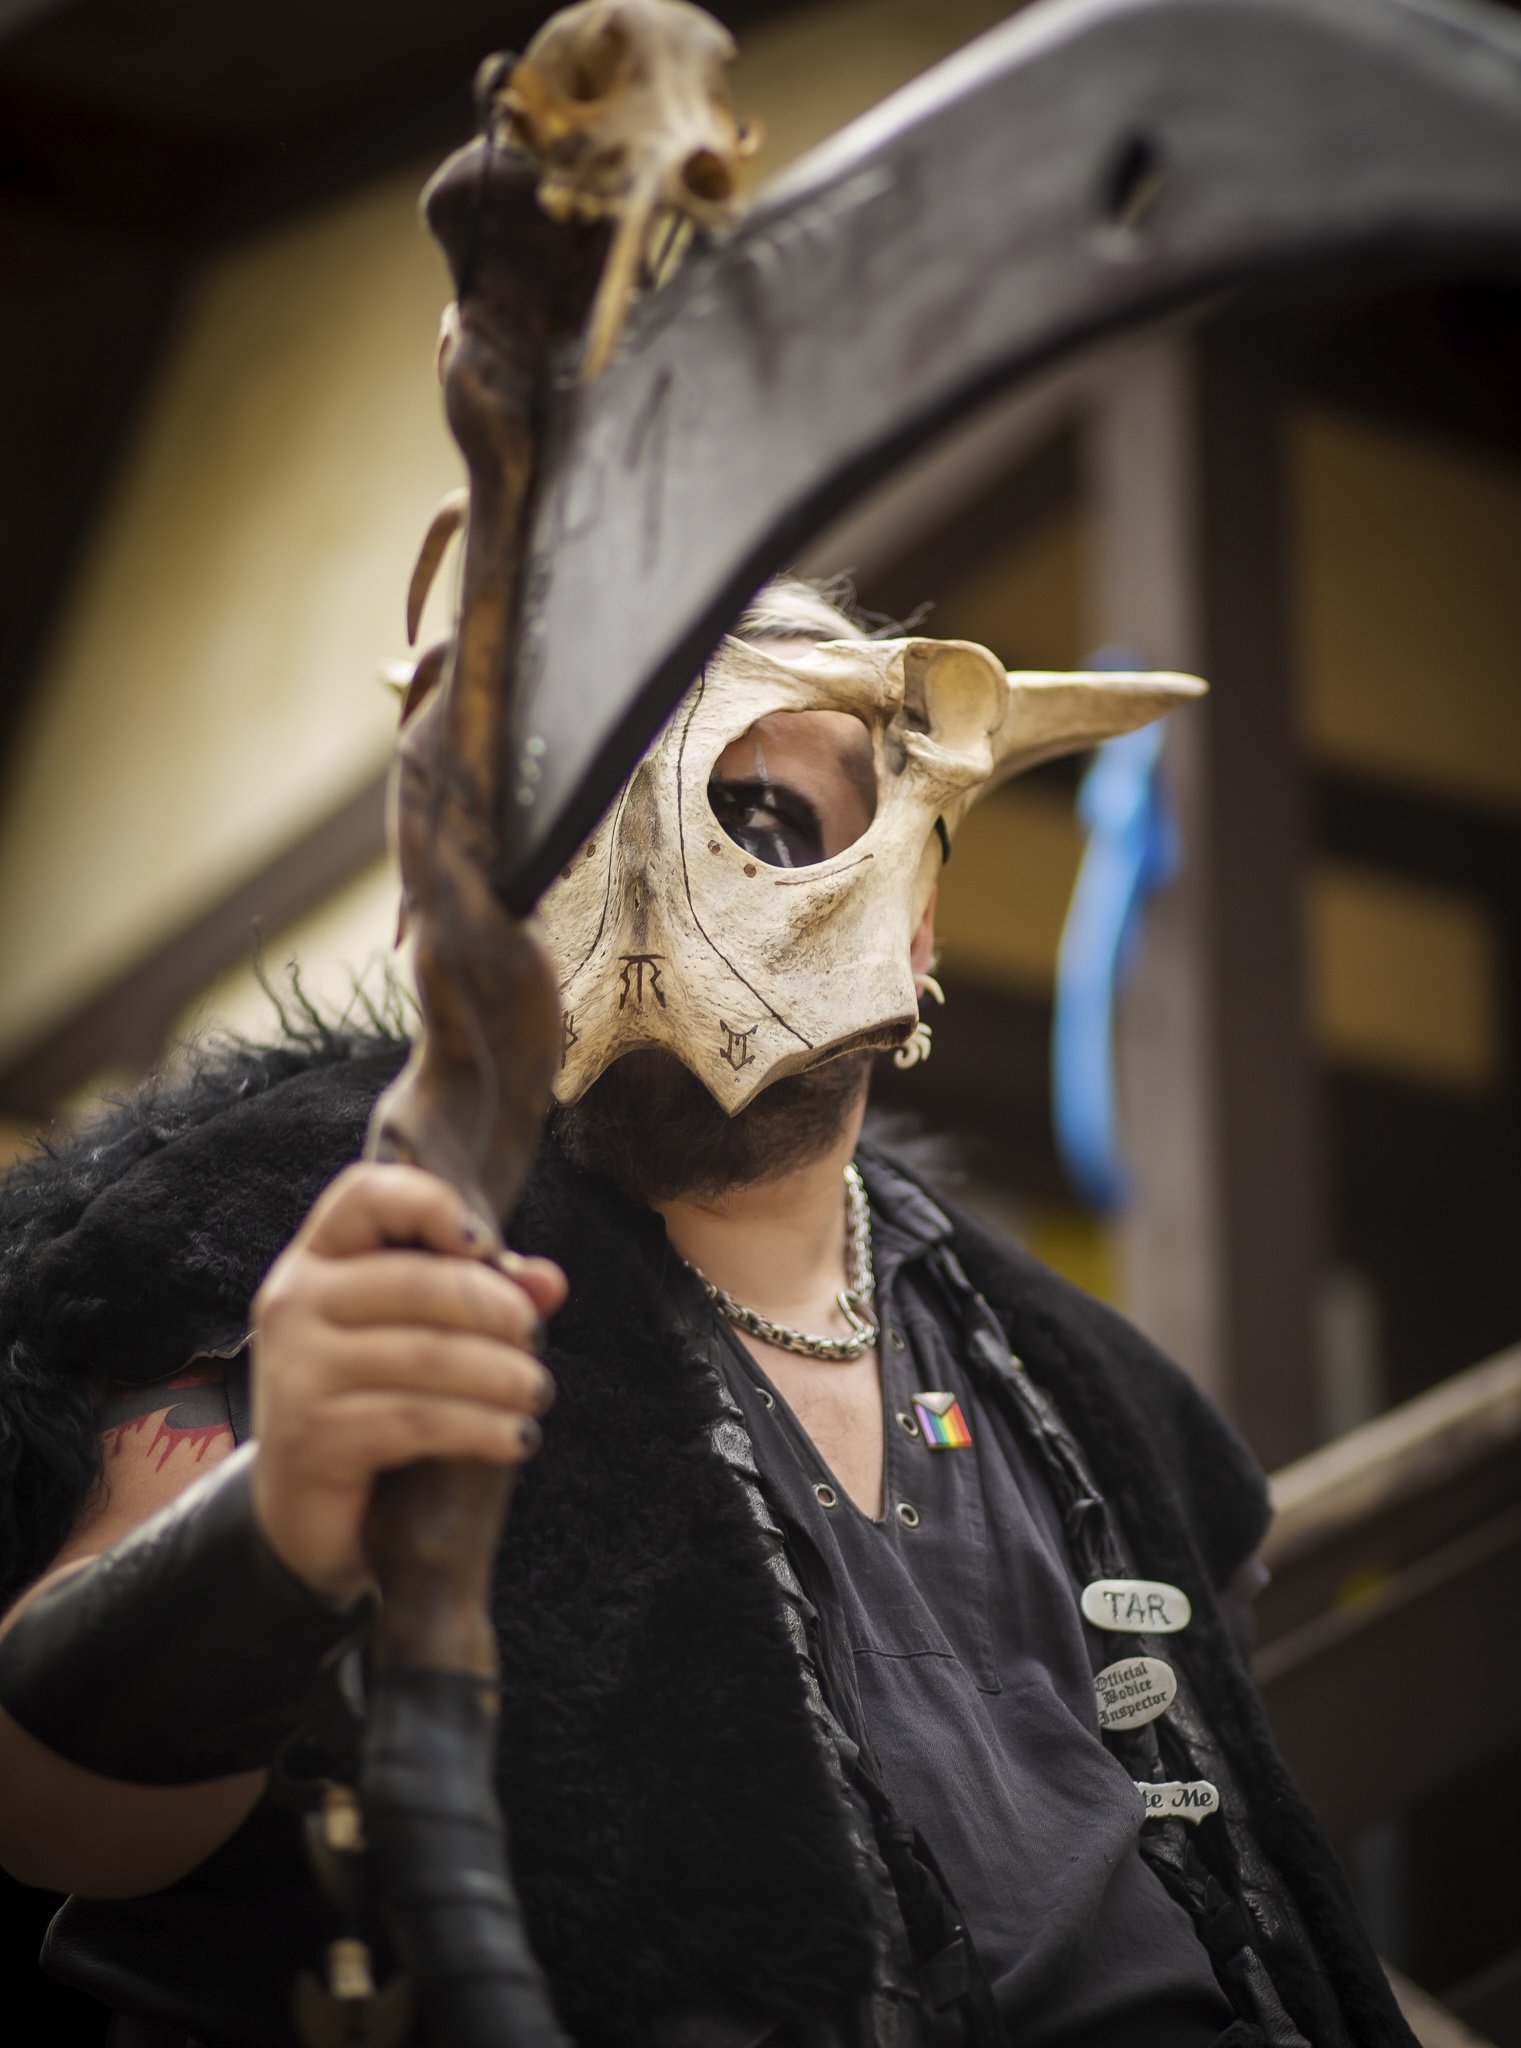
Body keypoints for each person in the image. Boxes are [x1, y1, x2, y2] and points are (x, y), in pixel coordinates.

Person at [0, 581, 1413, 2048]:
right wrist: (276, 1519)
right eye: (573, 825)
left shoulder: (1084, 1390)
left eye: (764, 820)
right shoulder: (304, 1239)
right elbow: (53, 1813)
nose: (662, 882)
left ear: (915, 913)